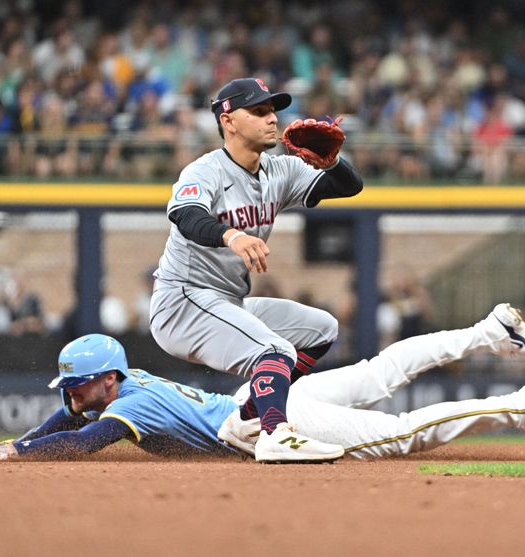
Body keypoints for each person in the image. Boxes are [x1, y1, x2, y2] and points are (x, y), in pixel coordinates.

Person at [0, 303, 525, 464]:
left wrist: (17, 451)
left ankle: (520, 407)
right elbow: (69, 422)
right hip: (267, 399)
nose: (68, 398)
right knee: (379, 371)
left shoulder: (135, 404)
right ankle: (489, 331)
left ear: (102, 382)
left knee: (400, 436)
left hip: (262, 424)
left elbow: (82, 441)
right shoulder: (128, 381)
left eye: (74, 387)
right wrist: (23, 440)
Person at [146, 77, 364, 462]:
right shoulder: (205, 170)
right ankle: (275, 432)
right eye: (259, 111)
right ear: (228, 121)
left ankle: (245, 421)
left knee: (321, 330)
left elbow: (349, 187)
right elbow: (187, 216)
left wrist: (333, 164)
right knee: (275, 348)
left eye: (272, 110)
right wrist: (232, 235)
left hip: (226, 301)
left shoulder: (280, 170)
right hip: (181, 301)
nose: (272, 119)